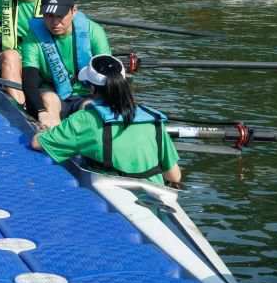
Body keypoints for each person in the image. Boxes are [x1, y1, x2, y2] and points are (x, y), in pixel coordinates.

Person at [31, 53, 181, 185]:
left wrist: (44, 130)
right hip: (157, 194)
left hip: (113, 195)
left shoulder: (85, 119)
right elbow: (174, 176)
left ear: (92, 88)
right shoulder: (153, 119)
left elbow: (37, 143)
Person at [22, 0, 112, 128]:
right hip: (52, 94)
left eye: (60, 16)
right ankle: (55, 137)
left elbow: (108, 77)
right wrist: (41, 111)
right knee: (49, 100)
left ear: (74, 11)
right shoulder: (33, 36)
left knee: (90, 108)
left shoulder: (94, 32)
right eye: (49, 16)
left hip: (86, 95)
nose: (55, 23)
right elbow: (29, 80)